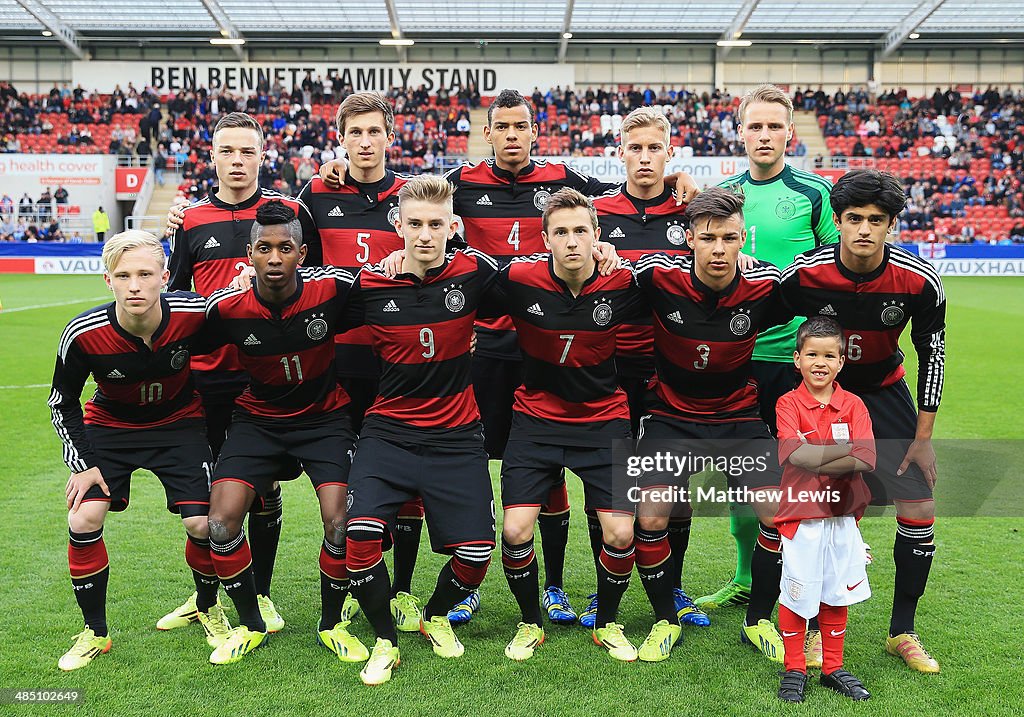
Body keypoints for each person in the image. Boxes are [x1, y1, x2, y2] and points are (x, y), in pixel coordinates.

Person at [780, 169, 945, 674]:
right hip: (821, 398)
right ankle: (803, 628)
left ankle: (903, 631)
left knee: (919, 508)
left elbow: (932, 354)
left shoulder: (918, 281)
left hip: (883, 393)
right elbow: (753, 313)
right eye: (854, 219)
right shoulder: (805, 274)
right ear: (838, 220)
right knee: (811, 511)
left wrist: (923, 439)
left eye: (877, 220)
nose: (865, 230)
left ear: (892, 224)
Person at [698, 86, 840, 671]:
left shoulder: (814, 193)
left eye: (773, 126)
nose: (763, 135)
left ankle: (804, 584)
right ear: (740, 132)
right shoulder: (724, 197)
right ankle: (742, 576)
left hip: (794, 364)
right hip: (739, 360)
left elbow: (835, 269)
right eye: (753, 125)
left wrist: (824, 350)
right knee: (744, 477)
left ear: (789, 133)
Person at [164, 112, 321, 637]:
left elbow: (314, 281)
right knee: (215, 491)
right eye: (227, 151)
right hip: (209, 376)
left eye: (246, 151)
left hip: (269, 374)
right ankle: (207, 596)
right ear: (212, 156)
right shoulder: (190, 220)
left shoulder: (289, 214)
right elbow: (179, 295)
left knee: (266, 486)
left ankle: (263, 594)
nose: (237, 161)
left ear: (262, 155)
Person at [48, 231, 229, 671]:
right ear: (107, 280)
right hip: (111, 427)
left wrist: (244, 283)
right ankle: (95, 632)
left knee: (203, 522)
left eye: (145, 274)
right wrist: (84, 464)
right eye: (123, 275)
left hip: (180, 423)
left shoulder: (192, 313)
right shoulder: (83, 333)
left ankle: (208, 607)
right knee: (83, 516)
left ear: (164, 277)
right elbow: (62, 401)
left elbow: (239, 316)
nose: (134, 285)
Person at [344, 176, 498, 685]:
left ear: (453, 226)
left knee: (476, 554)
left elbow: (547, 271)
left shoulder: (476, 271)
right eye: (415, 224)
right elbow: (298, 292)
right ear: (398, 225)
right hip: (387, 433)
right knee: (359, 542)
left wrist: (604, 248)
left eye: (436, 224)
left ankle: (433, 616)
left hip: (456, 436)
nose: (425, 234)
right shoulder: (369, 283)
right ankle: (386, 639)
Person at [632, 187, 792, 664]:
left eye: (729, 238)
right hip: (670, 414)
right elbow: (606, 277)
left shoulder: (767, 284)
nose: (719, 249)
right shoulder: (657, 276)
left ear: (743, 237)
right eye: (708, 238)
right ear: (690, 239)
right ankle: (665, 617)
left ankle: (759, 619)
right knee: (652, 516)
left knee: (775, 515)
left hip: (737, 415)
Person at [202, 201, 362, 665]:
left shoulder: (332, 288)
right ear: (248, 255)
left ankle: (331, 624)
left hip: (325, 418)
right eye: (264, 248)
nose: (275, 258)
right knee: (220, 521)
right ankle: (251, 623)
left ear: (302, 253)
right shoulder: (227, 308)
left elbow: (398, 290)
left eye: (285, 248)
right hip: (259, 420)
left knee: (340, 522)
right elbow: (176, 332)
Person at [495, 189, 647, 663]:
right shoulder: (520, 278)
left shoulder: (623, 280)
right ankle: (529, 623)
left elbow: (684, 271)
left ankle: (607, 623)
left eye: (581, 231)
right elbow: (460, 271)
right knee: (516, 530)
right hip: (536, 420)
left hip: (603, 421)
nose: (572, 241)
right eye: (560, 232)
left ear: (598, 236)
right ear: (545, 239)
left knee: (622, 534)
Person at [297, 92, 424, 630]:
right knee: (352, 481)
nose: (365, 142)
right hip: (339, 360)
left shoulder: (411, 195)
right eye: (356, 133)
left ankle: (402, 589)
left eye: (375, 131)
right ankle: (357, 579)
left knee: (410, 477)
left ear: (390, 136)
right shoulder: (316, 194)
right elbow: (293, 259)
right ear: (342, 138)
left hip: (403, 360)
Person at [591, 105, 703, 631]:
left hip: (670, 368)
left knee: (672, 486)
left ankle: (674, 587)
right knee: (610, 482)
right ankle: (602, 588)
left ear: (669, 152)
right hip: (608, 366)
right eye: (634, 148)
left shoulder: (691, 214)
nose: (644, 157)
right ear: (620, 153)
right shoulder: (598, 213)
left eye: (653, 147)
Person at [774, 316, 874, 703]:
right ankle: (795, 668)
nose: (821, 362)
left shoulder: (854, 404)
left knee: (837, 592)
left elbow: (867, 459)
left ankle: (833, 668)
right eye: (812, 354)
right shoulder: (788, 403)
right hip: (802, 516)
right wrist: (840, 454)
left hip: (844, 515)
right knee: (798, 594)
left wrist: (814, 455)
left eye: (829, 355)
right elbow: (791, 453)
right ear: (797, 359)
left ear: (841, 361)